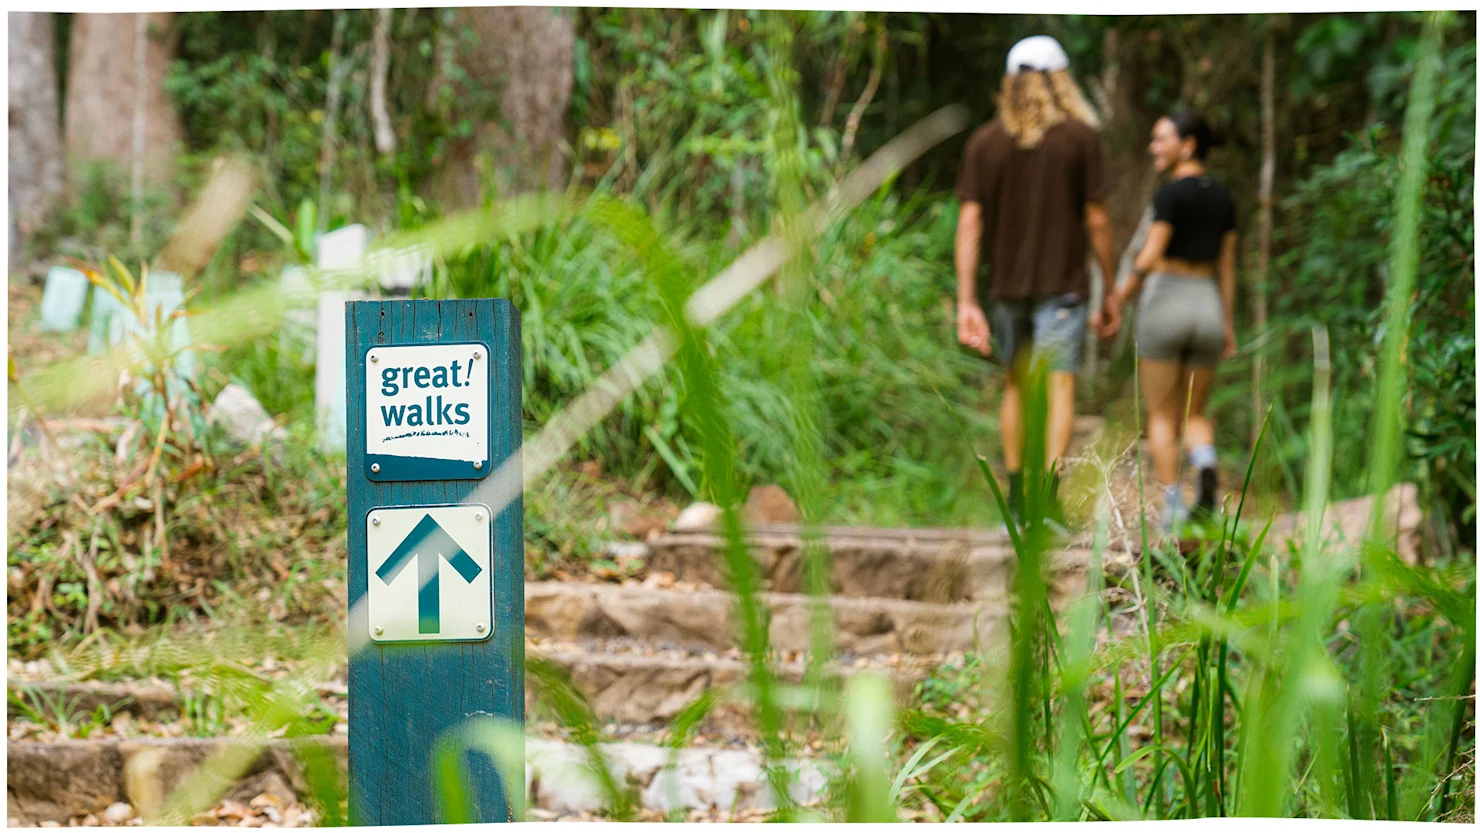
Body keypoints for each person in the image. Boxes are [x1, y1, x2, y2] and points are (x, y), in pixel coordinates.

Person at [954, 35, 1118, 527]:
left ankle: (1019, 495)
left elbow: (968, 225)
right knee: (1059, 385)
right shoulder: (1079, 139)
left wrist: (967, 300)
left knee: (1015, 386)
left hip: (1006, 288)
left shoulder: (984, 142)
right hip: (1061, 285)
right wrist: (1110, 288)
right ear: (1060, 79)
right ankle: (1047, 497)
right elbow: (1099, 222)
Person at [1104, 110, 1237, 532]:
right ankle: (1206, 463)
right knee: (1195, 413)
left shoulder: (1169, 195)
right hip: (1208, 306)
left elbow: (1149, 253)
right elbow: (1229, 269)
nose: (1154, 147)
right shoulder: (1224, 198)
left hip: (1167, 301)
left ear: (1188, 144)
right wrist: (1228, 323)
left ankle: (1174, 506)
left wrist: (1120, 296)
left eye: (1161, 140)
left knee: (1161, 415)